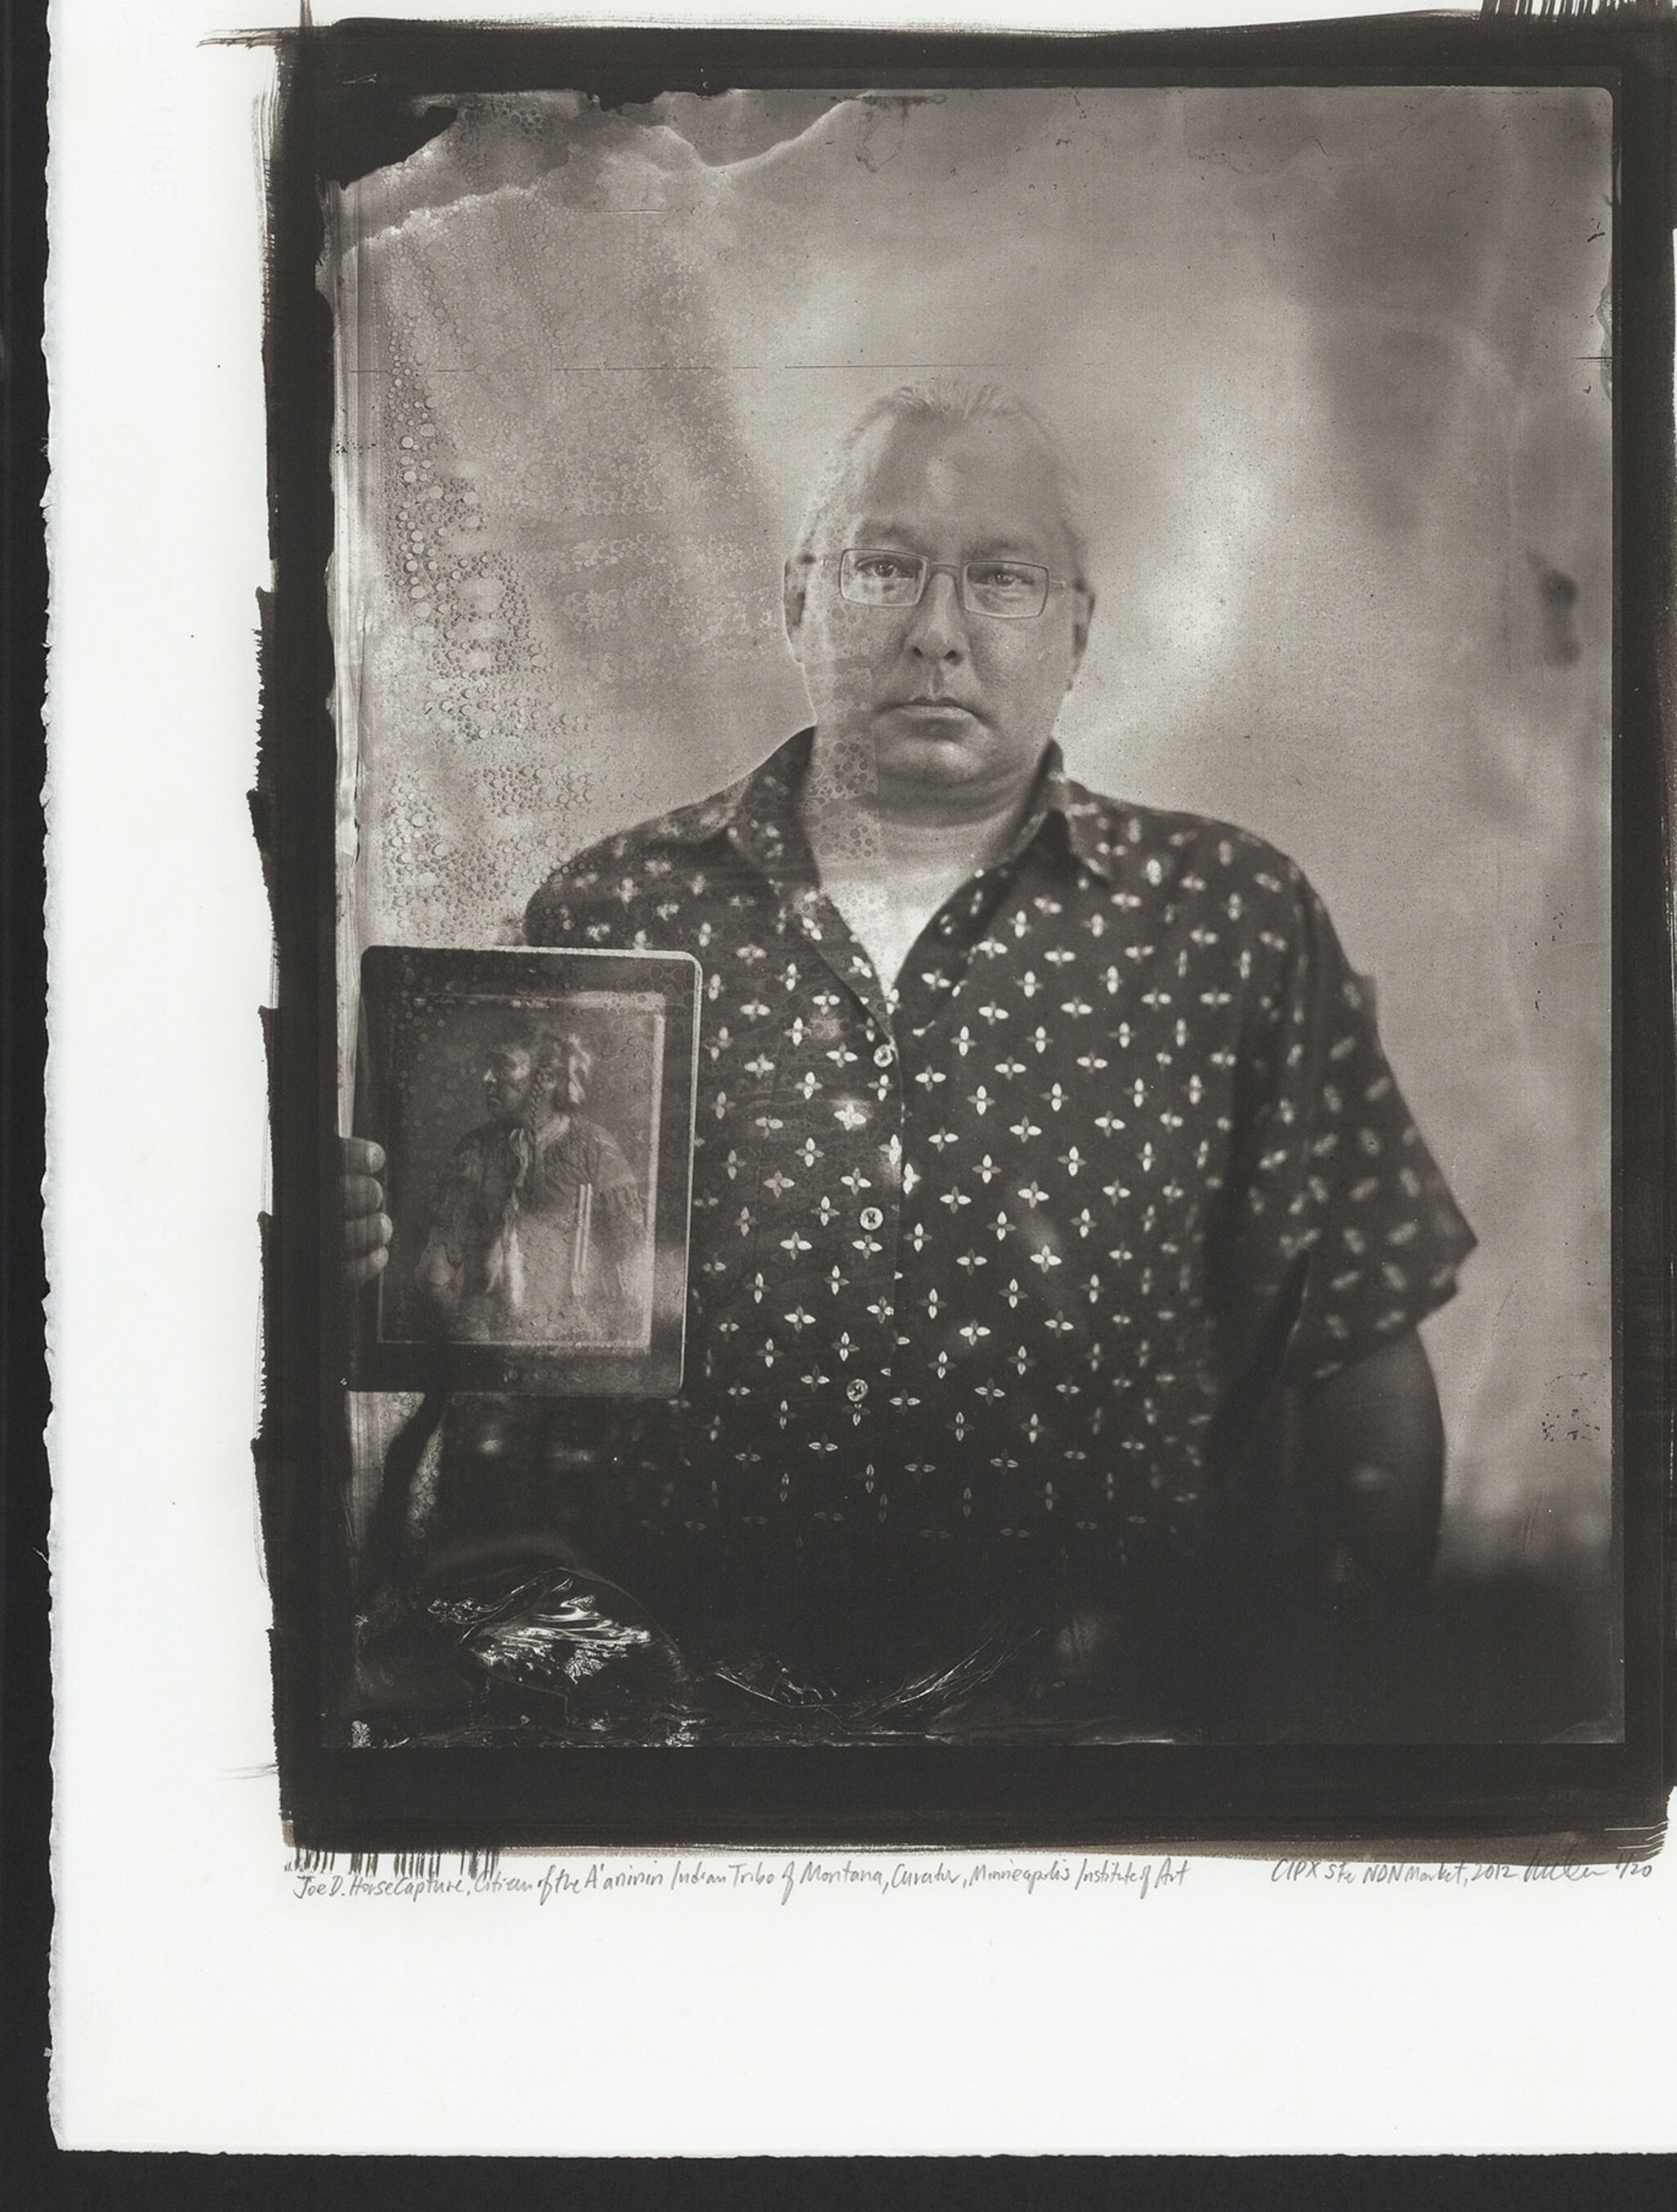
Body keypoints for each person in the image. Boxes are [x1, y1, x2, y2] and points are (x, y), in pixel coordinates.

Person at [343, 381, 1475, 1729]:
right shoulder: (611, 915)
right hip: (683, 1738)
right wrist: (373, 1267)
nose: (937, 632)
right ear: (796, 600)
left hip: (1120, 1742)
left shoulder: (1229, 921)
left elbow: (1352, 1356)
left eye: (998, 577)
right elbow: (491, 1406)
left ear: (1075, 627)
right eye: (885, 567)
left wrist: (1341, 1737)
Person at [413, 1024, 652, 1347]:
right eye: (489, 1066)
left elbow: (633, 1275)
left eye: (504, 1065)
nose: (487, 1078)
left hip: (572, 1344)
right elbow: (435, 1277)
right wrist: (470, 1333)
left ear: (549, 1078)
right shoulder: (475, 1149)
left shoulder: (596, 1148)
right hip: (484, 1345)